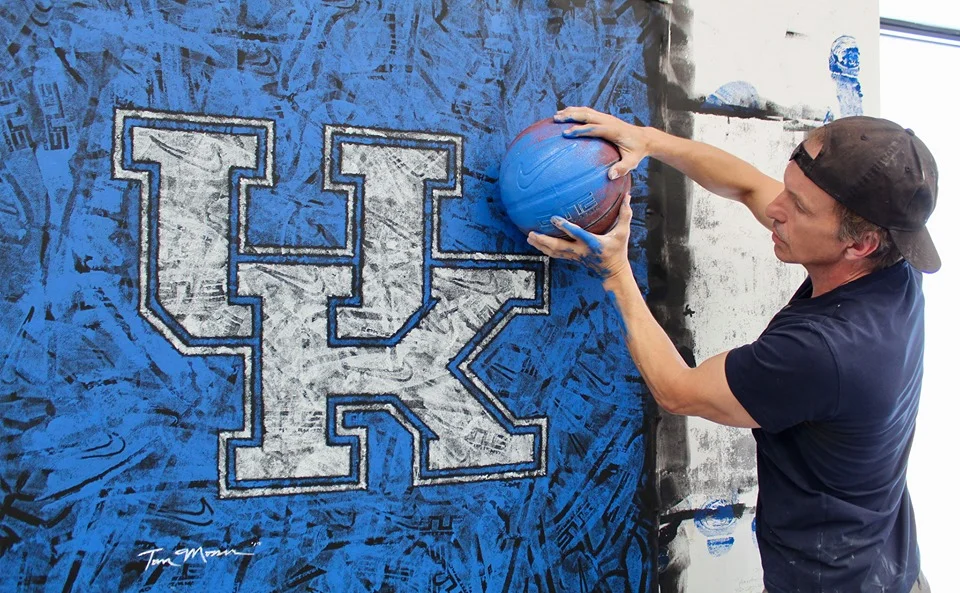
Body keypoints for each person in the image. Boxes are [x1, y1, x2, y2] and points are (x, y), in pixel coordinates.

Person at [527, 107, 938, 593]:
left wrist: (615, 271)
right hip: (892, 568)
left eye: (800, 208)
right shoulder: (891, 264)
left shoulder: (825, 353)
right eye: (788, 189)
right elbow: (746, 185)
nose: (777, 208)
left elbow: (679, 391)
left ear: (862, 244)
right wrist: (646, 140)